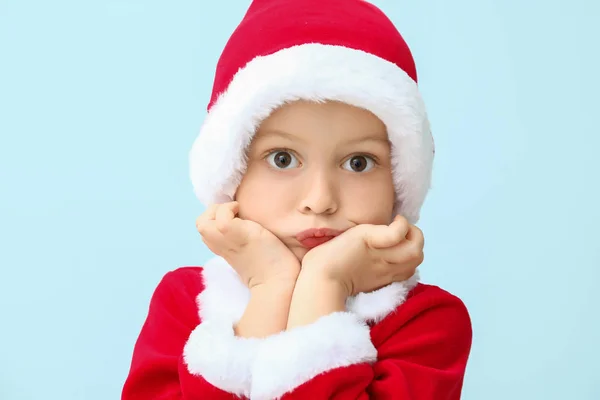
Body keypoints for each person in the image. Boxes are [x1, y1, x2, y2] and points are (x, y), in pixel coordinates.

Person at [121, 0, 472, 399]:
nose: (320, 200)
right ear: (231, 172)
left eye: (358, 162)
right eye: (283, 158)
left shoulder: (426, 322)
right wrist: (271, 286)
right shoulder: (184, 304)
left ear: (398, 180)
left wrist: (325, 284)